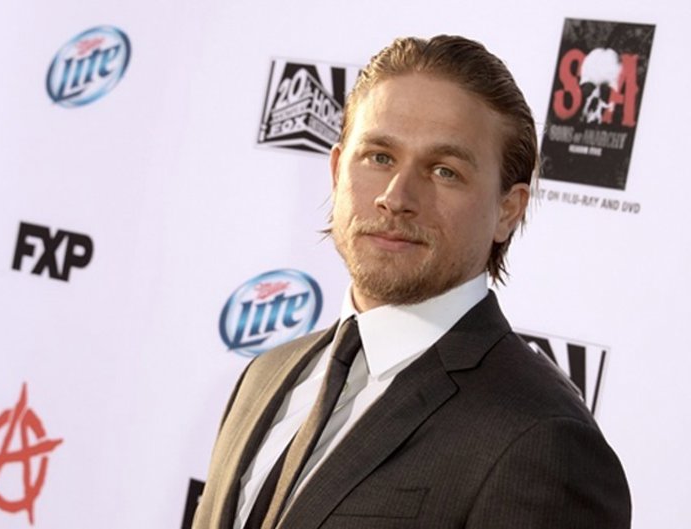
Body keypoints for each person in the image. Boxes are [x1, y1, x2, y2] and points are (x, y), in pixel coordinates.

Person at [193, 35, 631, 529]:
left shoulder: (543, 439)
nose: (397, 197)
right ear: (337, 171)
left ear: (508, 211)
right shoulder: (266, 375)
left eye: (444, 171)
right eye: (379, 157)